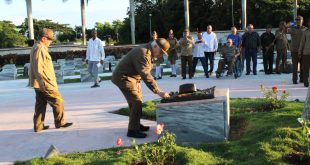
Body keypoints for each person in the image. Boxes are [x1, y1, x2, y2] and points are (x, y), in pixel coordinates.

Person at [112, 38, 171, 138]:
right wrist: (158, 91)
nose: (161, 55)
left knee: (136, 101)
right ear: (155, 46)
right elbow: (146, 75)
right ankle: (132, 131)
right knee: (136, 102)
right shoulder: (143, 53)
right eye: (161, 52)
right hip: (123, 78)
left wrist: (137, 81)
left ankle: (136, 125)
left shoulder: (148, 50)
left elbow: (140, 71)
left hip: (131, 77)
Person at [29, 28, 73, 132]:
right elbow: (38, 67)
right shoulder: (40, 48)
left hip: (39, 83)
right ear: (44, 38)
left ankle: (38, 126)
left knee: (40, 104)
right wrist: (42, 82)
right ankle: (60, 123)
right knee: (58, 101)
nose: (51, 42)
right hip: (44, 83)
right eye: (50, 40)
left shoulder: (36, 47)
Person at [287, 15, 308, 84]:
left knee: (303, 66)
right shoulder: (292, 28)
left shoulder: (305, 29)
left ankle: (302, 79)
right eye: (297, 19)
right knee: (295, 67)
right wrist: (288, 25)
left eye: (299, 19)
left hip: (303, 50)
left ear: (302, 21)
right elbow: (284, 31)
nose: (298, 21)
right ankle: (294, 80)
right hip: (294, 50)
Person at [299, 18, 310, 87]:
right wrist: (300, 52)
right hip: (306, 53)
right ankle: (306, 82)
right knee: (305, 68)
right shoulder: (305, 32)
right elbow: (302, 43)